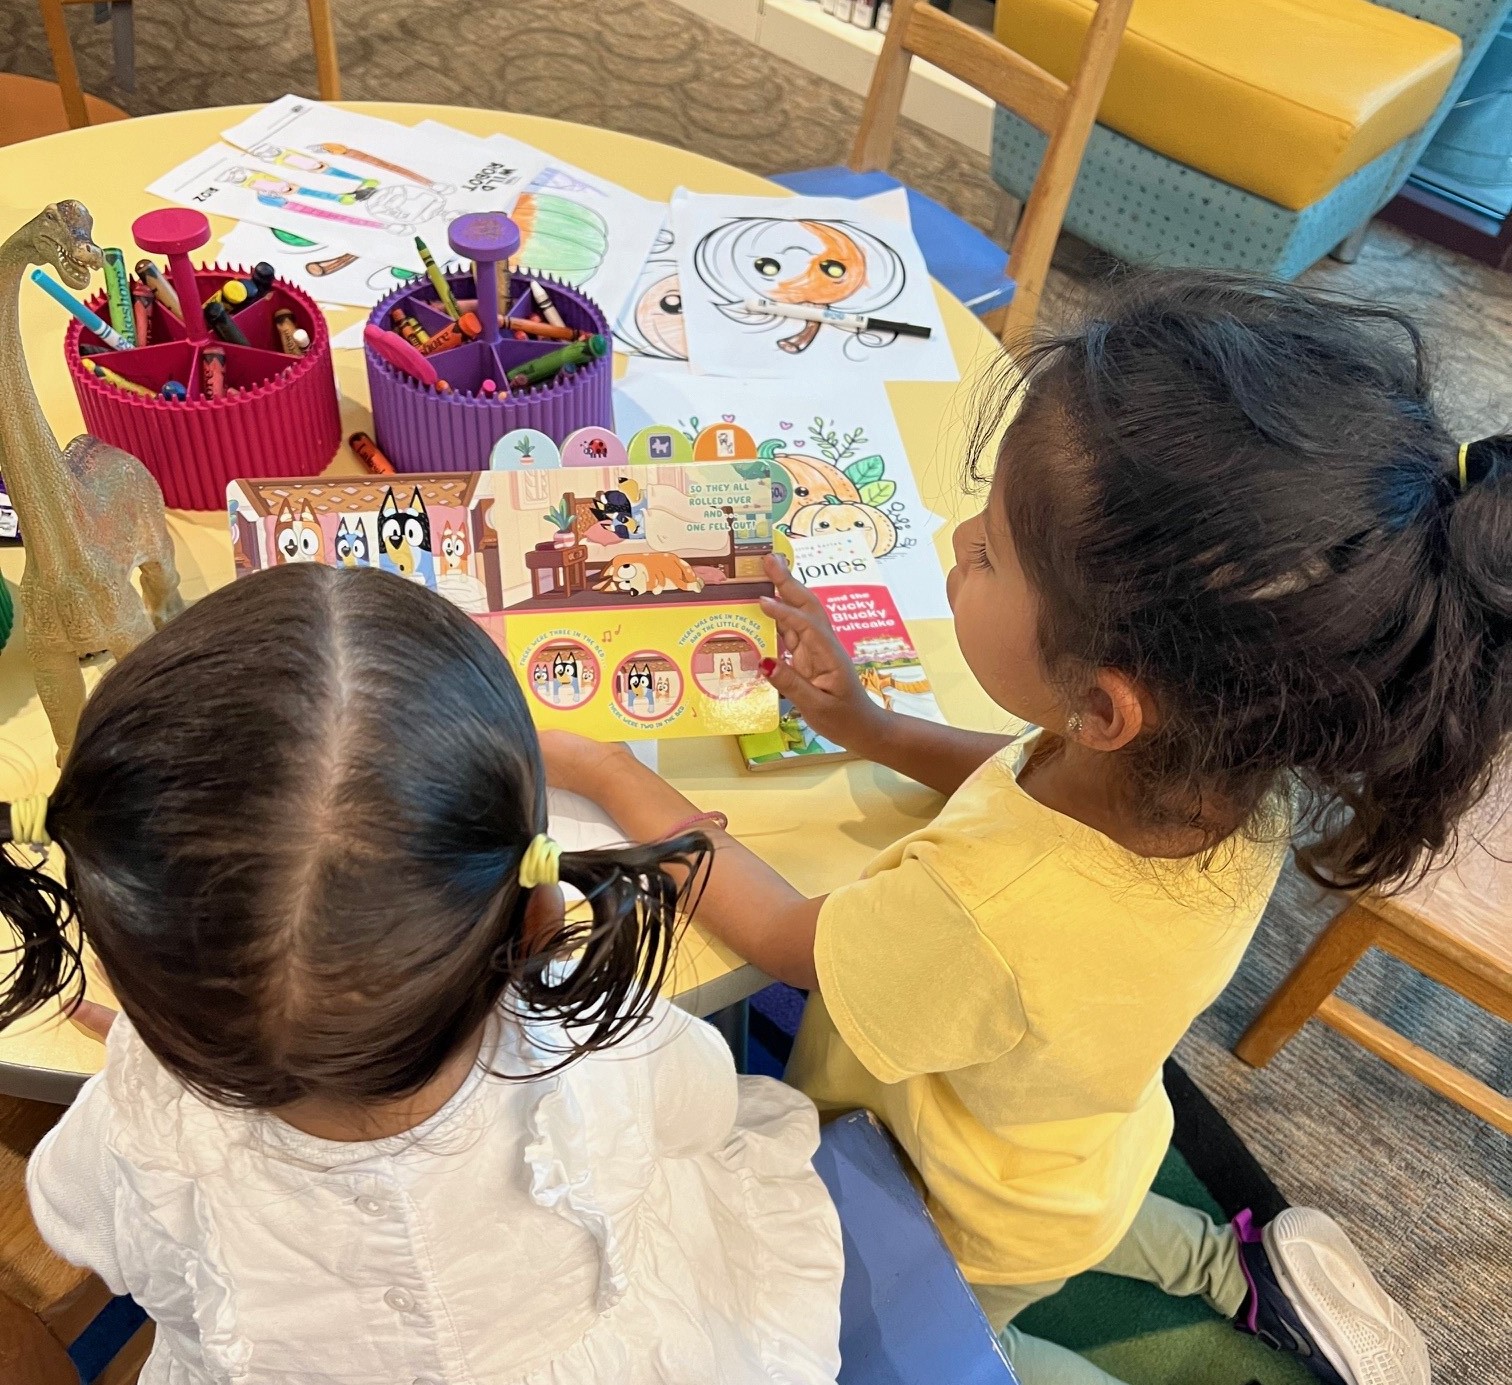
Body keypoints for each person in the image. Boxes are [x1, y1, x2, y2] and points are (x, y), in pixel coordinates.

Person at [545, 274, 1511, 1385]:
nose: (958, 540)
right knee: (1088, 1215)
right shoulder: (1232, 771)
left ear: (1105, 707)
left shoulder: (983, 909)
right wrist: (870, 723)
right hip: (1077, 1145)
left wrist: (610, 769)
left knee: (957, 1337)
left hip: (954, 1209)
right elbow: (1012, 771)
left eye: (992, 552)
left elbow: (784, 936)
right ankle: (1236, 1261)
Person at [7, 565, 842, 1385]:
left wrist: (174, 1073)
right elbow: (703, 1110)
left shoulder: (136, 1131)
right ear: (541, 913)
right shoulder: (598, 1048)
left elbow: (76, 1220)